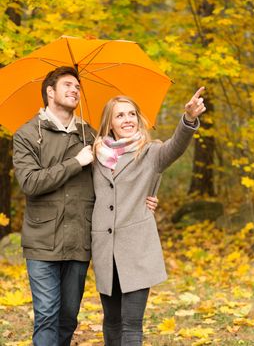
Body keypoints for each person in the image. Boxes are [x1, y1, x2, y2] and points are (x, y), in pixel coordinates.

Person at [12, 66, 157, 346]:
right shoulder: (27, 134)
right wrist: (75, 162)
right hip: (42, 241)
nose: (74, 90)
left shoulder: (91, 136)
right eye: (67, 85)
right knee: (46, 315)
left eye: (78, 86)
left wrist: (146, 197)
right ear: (49, 92)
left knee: (68, 316)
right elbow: (29, 182)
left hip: (80, 239)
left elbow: (117, 178)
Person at [91, 88, 206, 346]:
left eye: (132, 113)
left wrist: (187, 120)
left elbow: (175, 147)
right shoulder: (95, 156)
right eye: (120, 115)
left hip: (136, 249)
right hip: (105, 251)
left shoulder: (150, 152)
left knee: (131, 324)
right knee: (111, 321)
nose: (128, 119)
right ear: (110, 123)